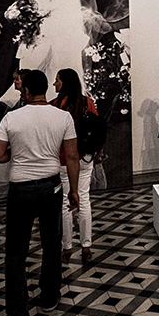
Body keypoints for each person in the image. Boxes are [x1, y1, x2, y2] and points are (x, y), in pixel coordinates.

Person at [0, 69, 79, 316]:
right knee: (51, 243)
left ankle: (18, 314)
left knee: (16, 250)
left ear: (26, 91)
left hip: (21, 189)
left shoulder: (12, 118)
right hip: (51, 186)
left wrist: (14, 154)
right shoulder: (63, 117)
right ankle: (49, 297)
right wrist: (74, 190)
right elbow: (72, 156)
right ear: (45, 90)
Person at [52, 68, 98, 263]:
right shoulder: (87, 103)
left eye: (57, 80)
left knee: (65, 202)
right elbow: (98, 128)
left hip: (64, 158)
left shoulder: (56, 106)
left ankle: (67, 246)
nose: (55, 84)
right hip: (85, 157)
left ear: (65, 83)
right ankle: (86, 245)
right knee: (84, 199)